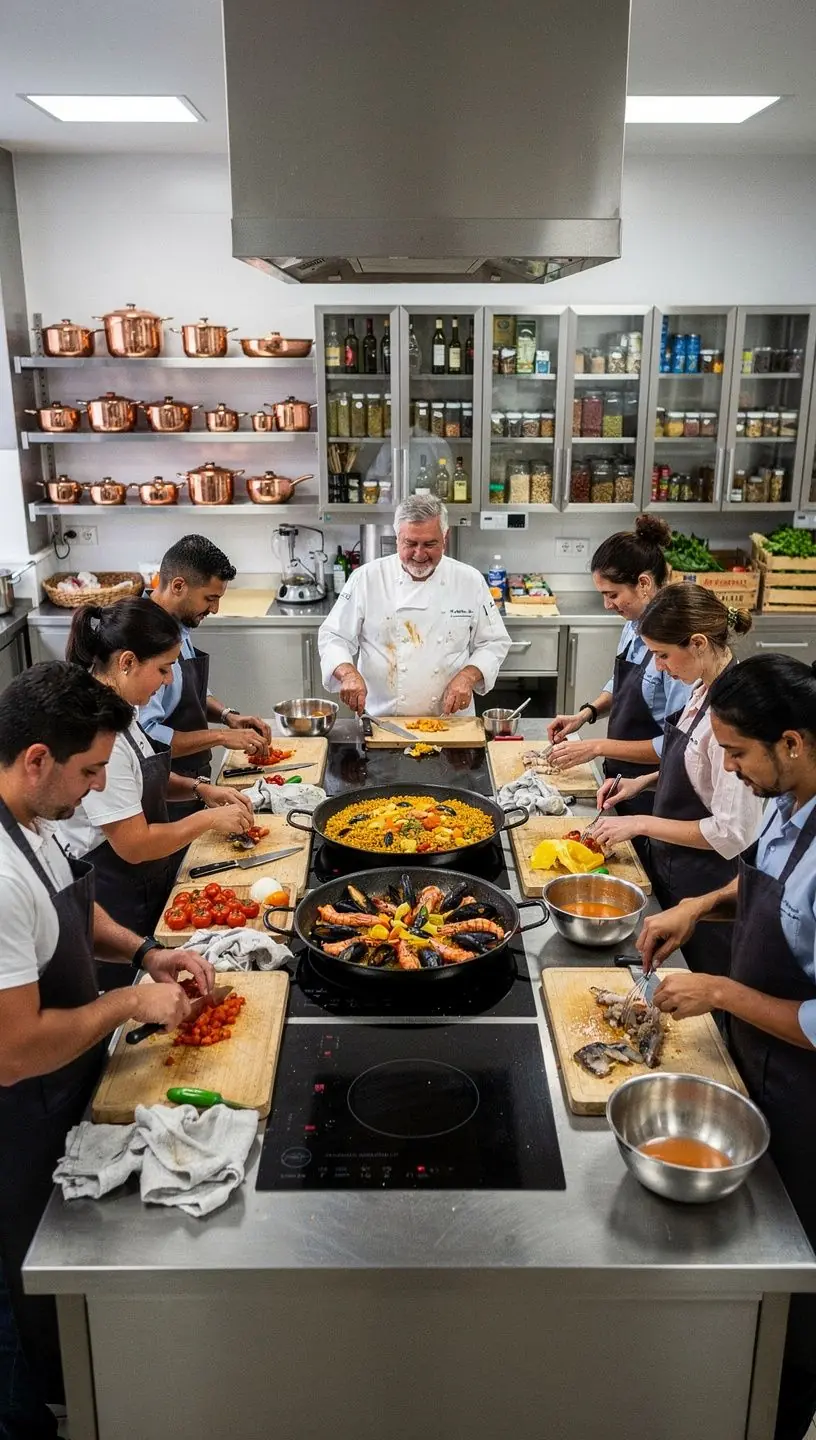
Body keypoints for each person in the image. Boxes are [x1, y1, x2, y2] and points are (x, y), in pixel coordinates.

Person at [0, 662, 214, 1440]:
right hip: (18, 1118)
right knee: (30, 1315)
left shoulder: (29, 820)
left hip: (66, 1088)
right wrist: (125, 1001)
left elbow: (73, 913)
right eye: (90, 770)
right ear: (35, 759)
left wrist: (148, 952)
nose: (98, 789)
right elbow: (13, 1049)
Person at [637, 654, 816, 1440]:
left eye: (738, 754)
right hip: (759, 1063)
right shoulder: (794, 798)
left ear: (793, 742)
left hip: (809, 1101)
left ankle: (773, 1413)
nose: (731, 771)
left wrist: (718, 994)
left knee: (793, 1282)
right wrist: (699, 904)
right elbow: (762, 878)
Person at [58, 599, 252, 948]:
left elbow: (144, 781)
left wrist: (199, 790)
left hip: (142, 884)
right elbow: (134, 845)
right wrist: (209, 821)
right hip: (113, 895)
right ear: (127, 662)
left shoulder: (122, 707)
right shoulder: (100, 735)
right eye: (164, 669)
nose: (166, 682)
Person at [592, 583, 763, 975]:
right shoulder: (703, 687)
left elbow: (731, 831)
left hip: (706, 888)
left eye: (663, 655)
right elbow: (694, 769)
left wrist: (640, 822)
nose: (659, 667)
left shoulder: (731, 717)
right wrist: (643, 782)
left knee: (701, 1004)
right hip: (673, 869)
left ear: (699, 643)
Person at [547, 516, 692, 829]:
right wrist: (586, 714)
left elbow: (676, 745)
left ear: (643, 583)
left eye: (612, 594)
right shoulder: (633, 625)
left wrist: (596, 746)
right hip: (620, 778)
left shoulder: (677, 645)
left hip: (654, 790)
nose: (607, 605)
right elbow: (622, 684)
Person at [317, 493, 511, 716]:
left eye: (430, 544)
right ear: (397, 538)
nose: (419, 554)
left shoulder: (469, 580)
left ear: (445, 538)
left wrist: (468, 676)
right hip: (383, 719)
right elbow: (334, 636)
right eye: (410, 543)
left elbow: (494, 642)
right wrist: (348, 673)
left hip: (451, 721)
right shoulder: (367, 578)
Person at [139, 536, 271, 807]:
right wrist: (222, 737)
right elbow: (147, 737)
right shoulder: (142, 637)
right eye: (210, 598)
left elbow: (188, 690)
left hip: (194, 780)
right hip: (167, 789)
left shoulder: (177, 625)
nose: (215, 608)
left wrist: (227, 716)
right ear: (178, 586)